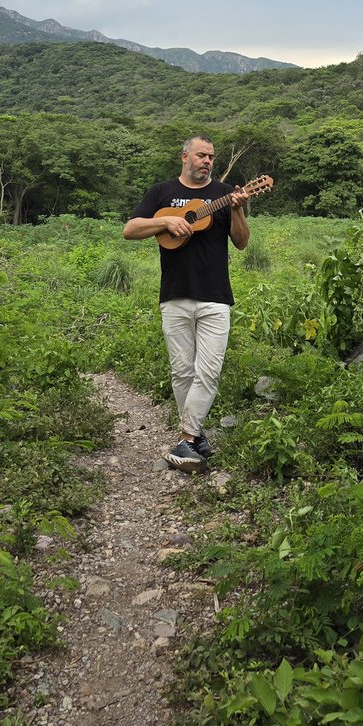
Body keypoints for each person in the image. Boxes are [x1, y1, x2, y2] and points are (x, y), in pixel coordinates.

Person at [123, 134, 250, 473]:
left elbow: (241, 243)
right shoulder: (162, 193)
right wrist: (166, 221)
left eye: (211, 156)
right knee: (182, 372)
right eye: (201, 155)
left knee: (209, 370)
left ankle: (185, 438)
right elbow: (130, 229)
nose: (207, 160)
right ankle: (196, 438)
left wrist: (237, 209)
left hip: (215, 297)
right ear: (184, 157)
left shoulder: (224, 195)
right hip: (175, 295)